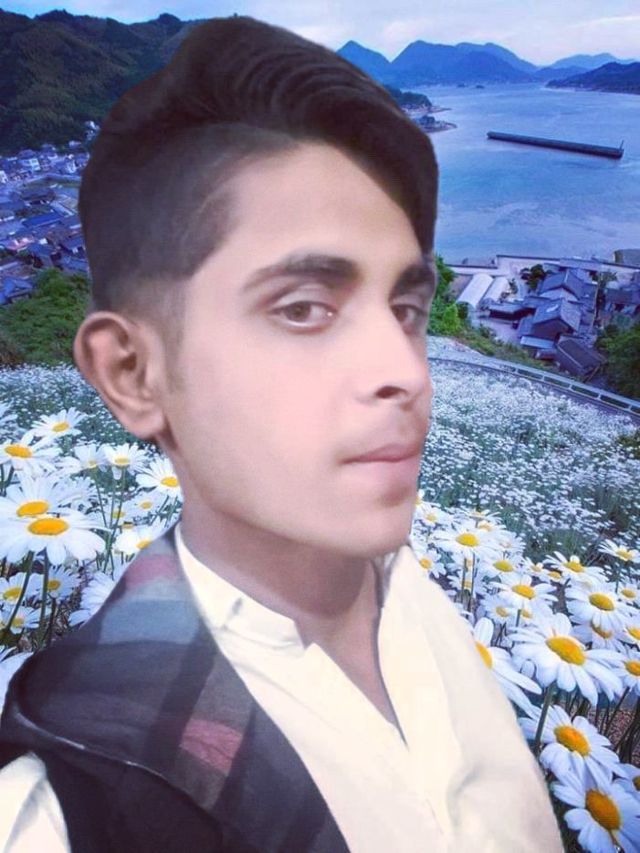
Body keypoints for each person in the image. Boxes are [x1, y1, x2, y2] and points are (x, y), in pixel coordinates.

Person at [0, 15, 562, 852]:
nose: (405, 371)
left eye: (406, 308)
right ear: (132, 373)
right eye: (303, 309)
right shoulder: (70, 814)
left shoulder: (415, 590)